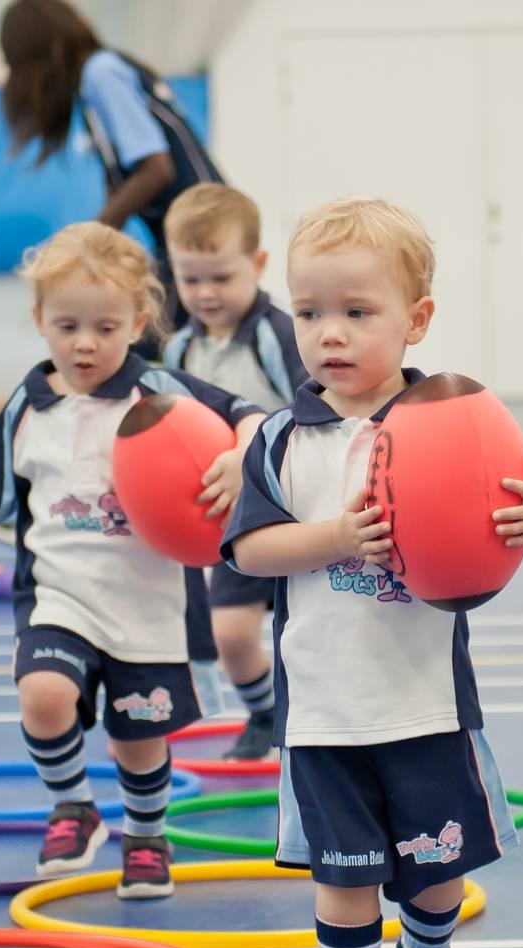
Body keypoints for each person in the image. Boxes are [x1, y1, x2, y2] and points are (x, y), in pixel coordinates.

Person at [221, 197, 523, 948]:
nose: (328, 334)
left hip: (425, 702)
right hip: (327, 711)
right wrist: (336, 537)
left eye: (356, 312)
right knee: (342, 876)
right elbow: (253, 549)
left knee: (437, 867)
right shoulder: (279, 440)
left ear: (416, 321)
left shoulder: (451, 417)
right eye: (309, 313)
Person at [0, 221, 264, 899]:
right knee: (43, 693)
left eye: (104, 326)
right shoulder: (29, 405)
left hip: (146, 605)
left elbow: (249, 414)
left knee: (138, 740)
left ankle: (147, 838)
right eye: (66, 326)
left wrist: (239, 454)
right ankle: (72, 806)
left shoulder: (160, 393)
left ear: (137, 322)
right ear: (39, 320)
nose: (84, 343)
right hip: (57, 595)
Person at [162, 183, 302, 761]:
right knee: (234, 636)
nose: (205, 293)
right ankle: (265, 710)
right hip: (233, 521)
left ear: (258, 264)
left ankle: (316, 727)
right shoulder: (177, 353)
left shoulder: (278, 335)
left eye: (221, 277)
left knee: (311, 639)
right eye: (191, 279)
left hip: (294, 510)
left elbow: (313, 409)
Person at [0, 0, 220, 348]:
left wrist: (89, 236)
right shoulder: (92, 85)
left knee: (138, 346)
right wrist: (98, 246)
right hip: (184, 237)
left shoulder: (101, 72)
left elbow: (156, 168)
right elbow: (121, 179)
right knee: (138, 343)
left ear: (54, 50)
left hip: (200, 238)